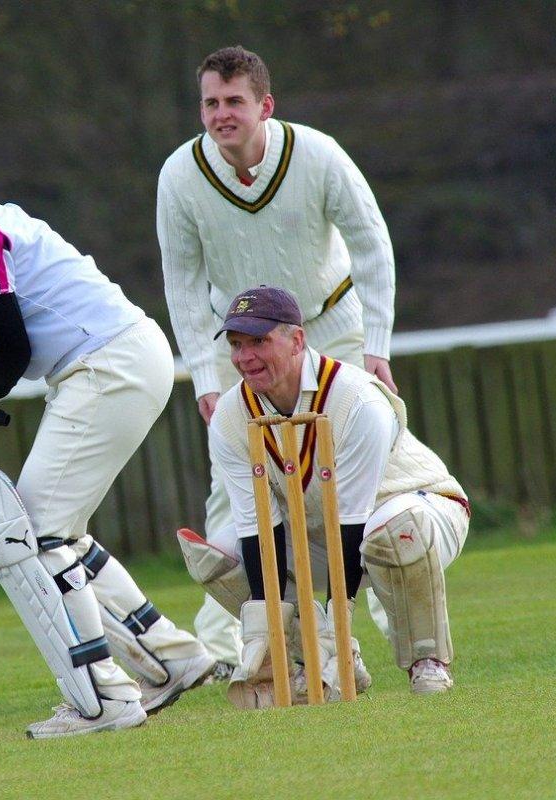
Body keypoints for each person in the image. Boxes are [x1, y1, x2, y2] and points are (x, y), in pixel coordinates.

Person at [0, 110, 215, 740]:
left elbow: (14, 352)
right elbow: (6, 342)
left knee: (37, 535)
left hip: (108, 364)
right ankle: (172, 660)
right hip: (115, 359)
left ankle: (105, 697)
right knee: (59, 534)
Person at [156, 45, 397, 676]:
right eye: (211, 102)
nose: (221, 114)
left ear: (265, 105)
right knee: (233, 483)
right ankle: (239, 648)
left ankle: (396, 632)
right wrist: (206, 377)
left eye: (234, 101)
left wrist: (376, 347)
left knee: (371, 475)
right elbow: (181, 282)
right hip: (237, 339)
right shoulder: (180, 175)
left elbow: (372, 244)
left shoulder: (317, 154)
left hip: (329, 322)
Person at [198, 286, 467, 707]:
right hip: (322, 531)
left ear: (297, 341)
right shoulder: (231, 417)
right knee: (218, 556)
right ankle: (311, 661)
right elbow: (257, 530)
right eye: (236, 345)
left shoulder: (355, 398)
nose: (244, 357)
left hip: (421, 509)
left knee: (392, 531)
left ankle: (426, 660)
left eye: (259, 342)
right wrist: (261, 626)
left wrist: (337, 623)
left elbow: (353, 520)